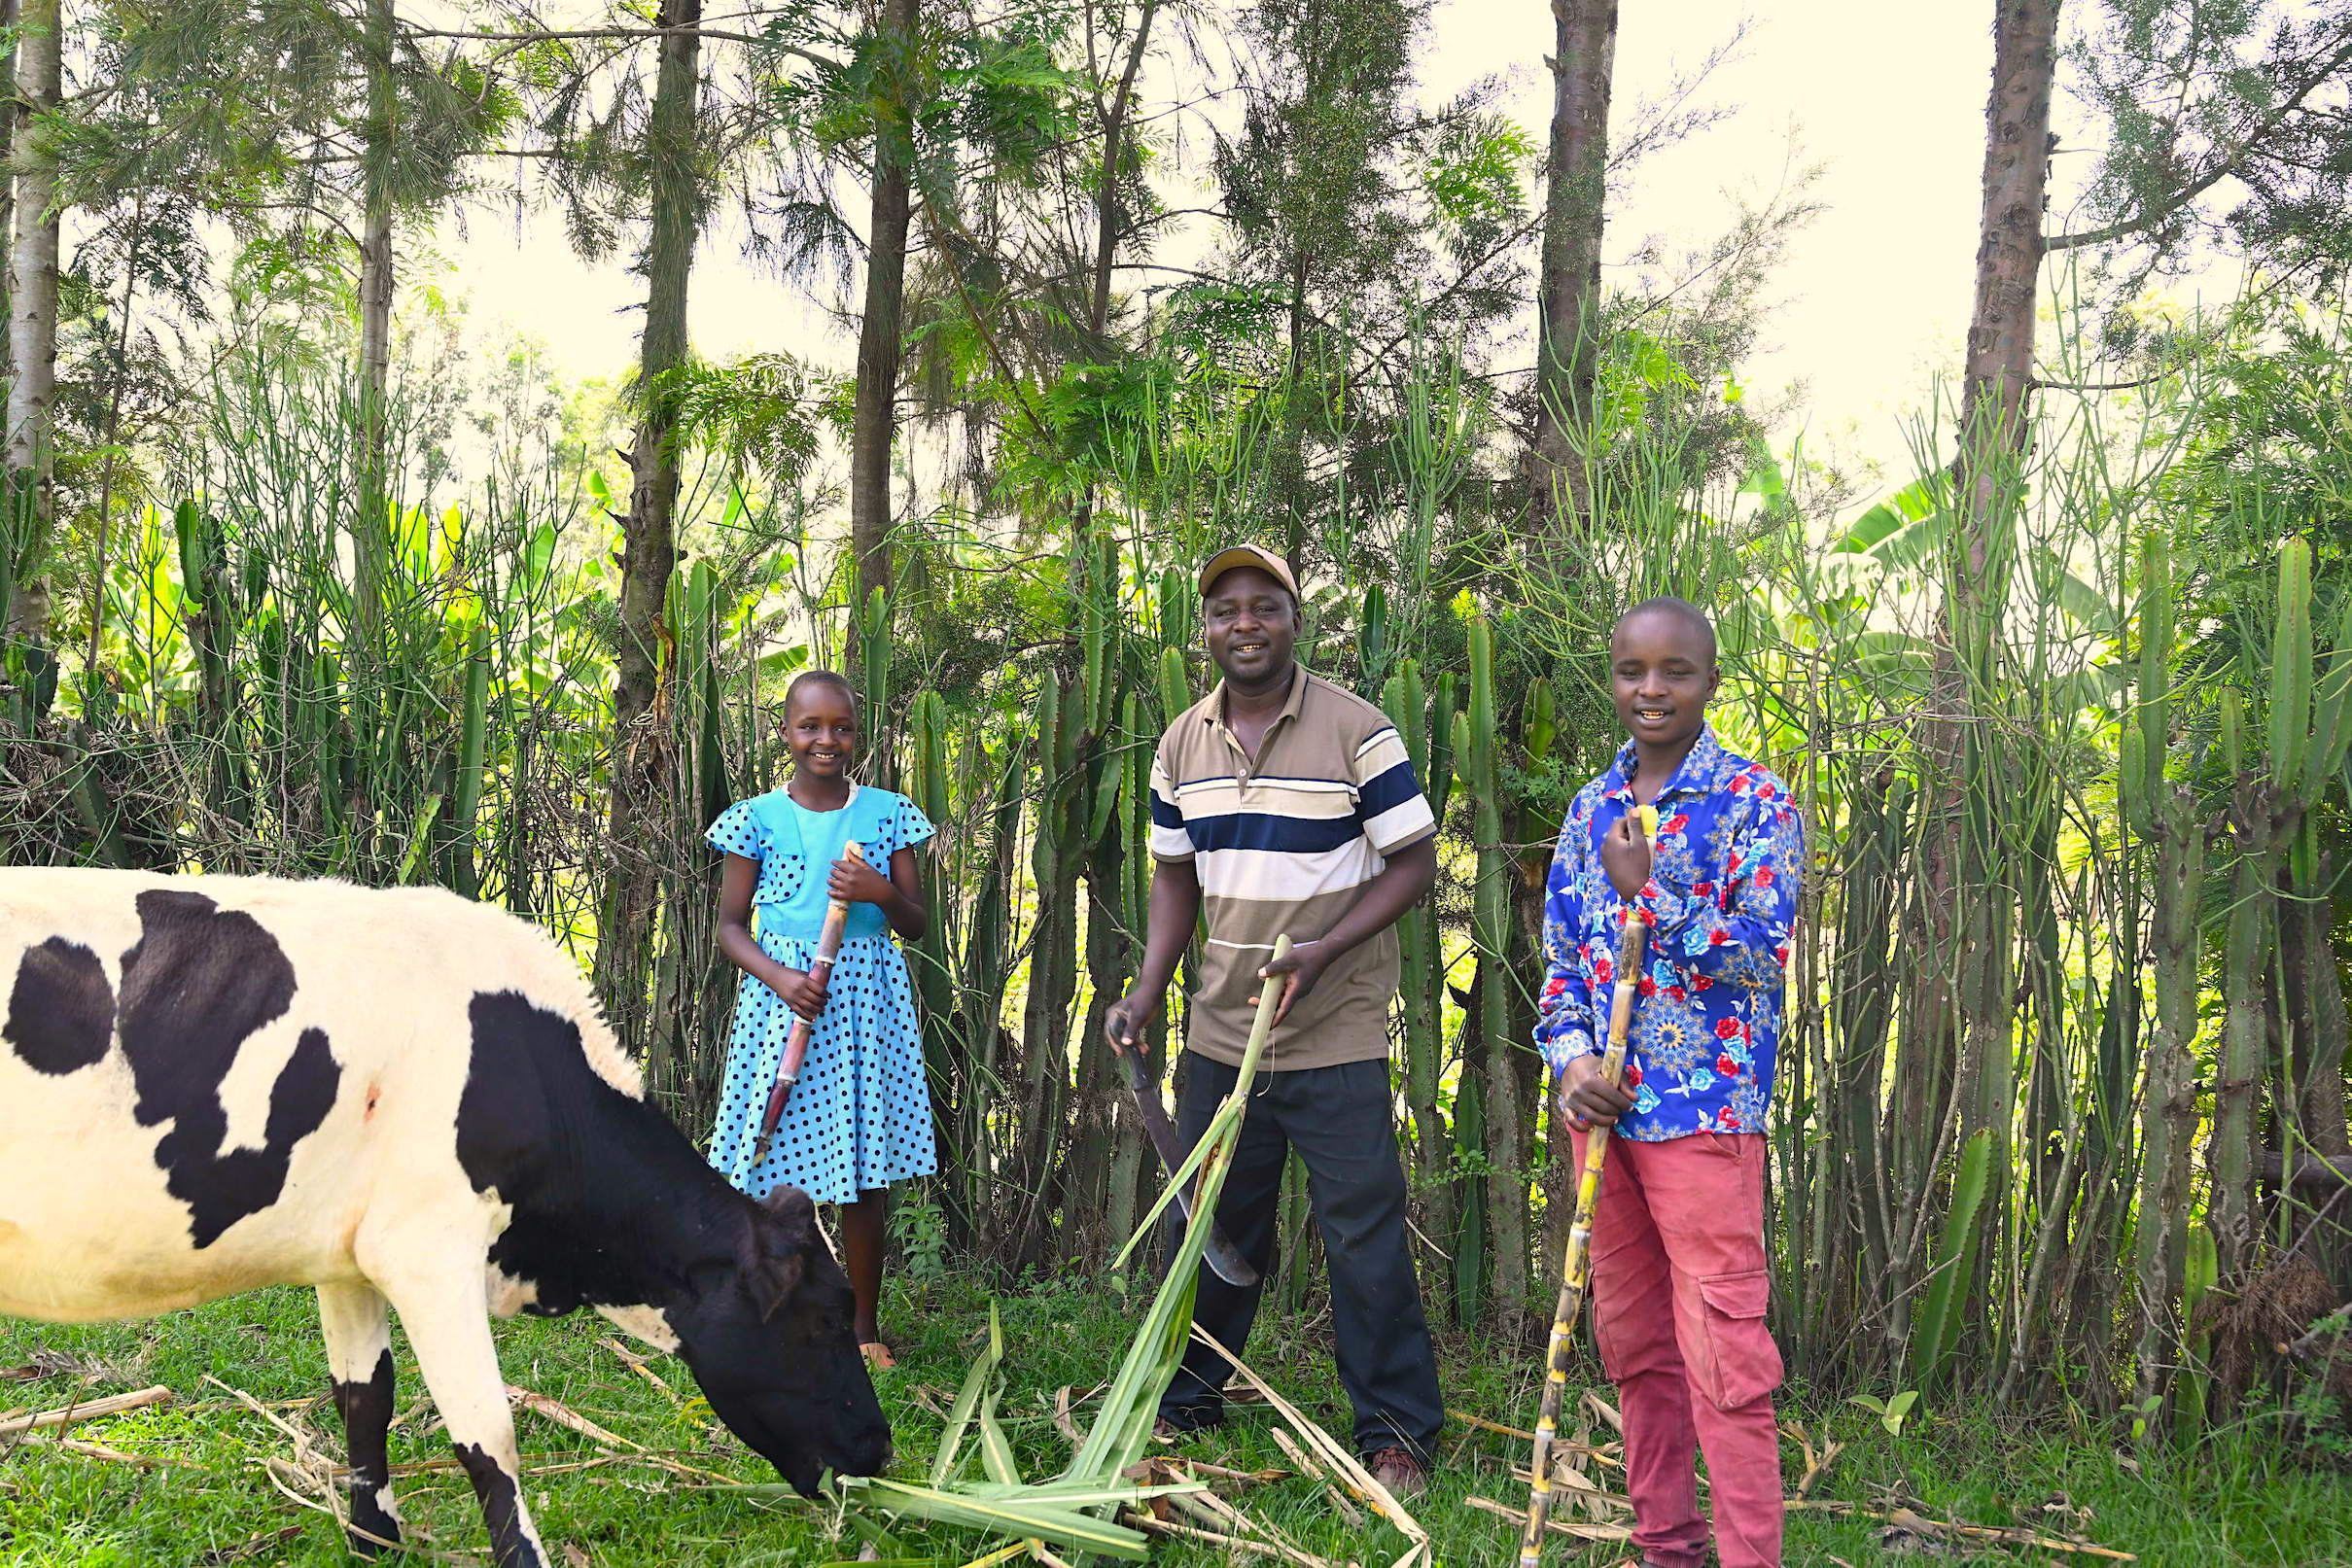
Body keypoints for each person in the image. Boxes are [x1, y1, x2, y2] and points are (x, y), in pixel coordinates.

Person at [1105, 544, 1445, 1498]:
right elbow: (1176, 878)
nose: (1243, 624)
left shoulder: (1357, 731)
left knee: (1362, 1231)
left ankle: (1394, 1430)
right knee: (1210, 1220)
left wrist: (1323, 949)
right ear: (1204, 630)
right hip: (1221, 1032)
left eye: (1263, 606)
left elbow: (1413, 863)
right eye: (1224, 610)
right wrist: (1145, 988)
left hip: (1331, 1029)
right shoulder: (1182, 743)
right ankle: (1189, 1395)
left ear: (1295, 620)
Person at [1534, 598, 1804, 1568]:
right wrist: (1572, 1062)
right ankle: (1666, 1545)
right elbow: (1563, 960)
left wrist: (1650, 890)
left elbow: (1762, 952)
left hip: (1703, 1120)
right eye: (1632, 671)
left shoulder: (1752, 800)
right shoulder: (1588, 808)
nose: (1651, 690)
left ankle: (1749, 1557)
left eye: (1674, 671)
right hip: (1604, 1120)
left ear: (1710, 679)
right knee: (1635, 1343)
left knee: (1724, 1358)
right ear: (1612, 677)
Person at [706, 668, 937, 1369]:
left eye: (839, 726)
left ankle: (862, 1325)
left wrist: (878, 892)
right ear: (785, 732)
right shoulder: (754, 818)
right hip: (782, 1007)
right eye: (809, 726)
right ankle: (770, 1312)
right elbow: (728, 926)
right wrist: (779, 977)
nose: (825, 739)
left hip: (864, 1004)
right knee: (771, 1163)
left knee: (862, 1172)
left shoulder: (888, 812)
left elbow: (917, 923)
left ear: (857, 734)